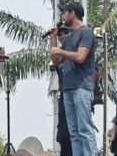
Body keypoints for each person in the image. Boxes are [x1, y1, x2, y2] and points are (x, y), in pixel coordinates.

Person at [50, 1, 98, 156]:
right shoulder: (70, 37)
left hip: (82, 87)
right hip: (68, 89)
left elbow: (80, 57)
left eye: (65, 12)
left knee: (84, 129)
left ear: (72, 14)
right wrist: (53, 38)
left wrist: (60, 51)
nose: (63, 16)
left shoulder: (86, 33)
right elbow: (56, 60)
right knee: (74, 132)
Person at [53, 22, 73, 156]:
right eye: (60, 34)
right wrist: (53, 36)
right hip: (64, 96)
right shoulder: (61, 56)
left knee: (75, 133)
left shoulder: (76, 51)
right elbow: (55, 59)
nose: (63, 36)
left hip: (76, 95)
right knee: (63, 134)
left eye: (66, 33)